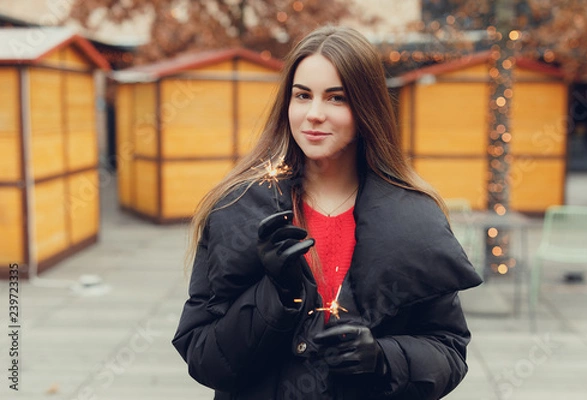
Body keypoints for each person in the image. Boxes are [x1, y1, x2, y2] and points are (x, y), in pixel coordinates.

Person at [172, 25, 483, 400]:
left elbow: (448, 349)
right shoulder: (236, 209)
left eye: (336, 98)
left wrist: (383, 359)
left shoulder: (415, 219)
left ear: (366, 108)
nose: (314, 114)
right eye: (302, 96)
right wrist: (275, 295)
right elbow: (204, 356)